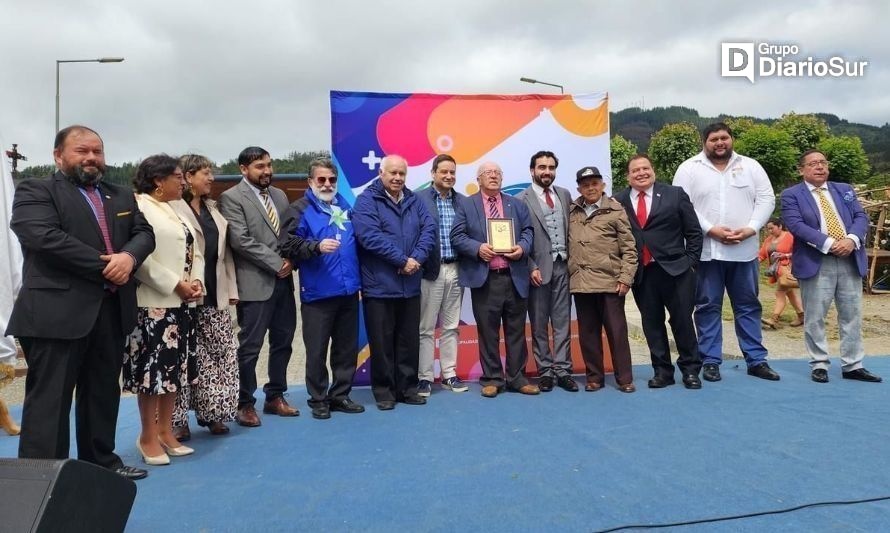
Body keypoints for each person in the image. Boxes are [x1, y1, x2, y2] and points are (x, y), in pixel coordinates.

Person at [7, 125, 154, 480]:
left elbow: (143, 233)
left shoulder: (120, 195)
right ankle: (41, 476)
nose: (91, 158)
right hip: (55, 314)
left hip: (111, 310)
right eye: (81, 151)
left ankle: (100, 464)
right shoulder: (36, 190)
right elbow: (42, 236)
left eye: (97, 151)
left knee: (102, 393)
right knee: (50, 402)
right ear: (59, 155)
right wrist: (109, 264)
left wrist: (130, 259)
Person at [673, 122, 780, 382]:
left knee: (748, 305)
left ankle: (756, 359)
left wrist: (752, 228)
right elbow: (681, 203)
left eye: (724, 138)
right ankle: (710, 360)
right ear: (704, 142)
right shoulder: (689, 168)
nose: (719, 143)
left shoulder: (751, 166)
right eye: (713, 139)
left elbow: (767, 199)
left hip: (744, 251)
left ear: (731, 139)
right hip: (707, 252)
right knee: (708, 305)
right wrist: (710, 229)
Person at [781, 149, 882, 384]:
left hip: (849, 256)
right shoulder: (791, 194)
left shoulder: (844, 189)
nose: (820, 167)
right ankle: (819, 364)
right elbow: (795, 225)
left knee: (852, 314)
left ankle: (853, 365)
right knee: (815, 315)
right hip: (816, 259)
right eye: (813, 163)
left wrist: (851, 240)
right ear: (801, 169)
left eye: (823, 162)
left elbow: (860, 217)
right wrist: (828, 243)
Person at [126, 155, 202, 466]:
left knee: (174, 372)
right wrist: (174, 283)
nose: (183, 182)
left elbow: (193, 247)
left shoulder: (174, 208)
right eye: (178, 176)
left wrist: (195, 278)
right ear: (159, 181)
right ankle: (147, 436)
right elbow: (138, 257)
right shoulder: (139, 206)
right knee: (152, 374)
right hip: (153, 303)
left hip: (182, 304)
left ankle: (165, 430)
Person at [280, 158, 366, 419]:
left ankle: (340, 395)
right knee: (317, 350)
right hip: (318, 294)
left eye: (331, 179)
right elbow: (286, 244)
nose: (327, 184)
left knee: (346, 348)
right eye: (321, 179)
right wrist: (315, 247)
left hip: (349, 291)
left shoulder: (345, 205)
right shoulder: (299, 208)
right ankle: (318, 398)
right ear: (310, 181)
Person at [219, 146, 299, 426]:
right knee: (250, 347)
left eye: (268, 165)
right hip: (255, 284)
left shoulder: (279, 195)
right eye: (259, 167)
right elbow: (240, 240)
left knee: (283, 342)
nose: (267, 171)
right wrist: (277, 263)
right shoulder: (231, 198)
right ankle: (244, 403)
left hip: (284, 283)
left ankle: (275, 396)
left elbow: (289, 233)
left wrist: (290, 258)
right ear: (243, 169)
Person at [353, 155, 436, 410]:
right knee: (382, 342)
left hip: (410, 284)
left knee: (408, 340)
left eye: (402, 173)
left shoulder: (414, 200)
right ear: (381, 173)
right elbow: (370, 237)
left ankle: (408, 389)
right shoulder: (366, 201)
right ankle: (385, 392)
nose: (398, 178)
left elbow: (429, 229)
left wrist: (417, 259)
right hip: (380, 286)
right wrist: (402, 261)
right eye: (393, 173)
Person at [451, 161, 539, 398]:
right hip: (486, 279)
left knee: (516, 331)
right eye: (488, 173)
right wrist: (478, 248)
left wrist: (521, 248)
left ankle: (517, 378)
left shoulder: (516, 204)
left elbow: (528, 231)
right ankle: (492, 378)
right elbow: (457, 236)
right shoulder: (467, 205)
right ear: (478, 179)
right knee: (488, 332)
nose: (493, 176)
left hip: (514, 277)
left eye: (497, 173)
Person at [615, 155, 703, 389]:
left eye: (646, 168)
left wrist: (691, 262)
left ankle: (691, 369)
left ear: (653, 170)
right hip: (643, 273)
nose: (641, 173)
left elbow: (693, 232)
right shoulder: (618, 200)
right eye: (635, 170)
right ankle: (662, 371)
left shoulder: (675, 194)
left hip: (676, 270)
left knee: (682, 320)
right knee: (652, 323)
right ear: (628, 176)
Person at [170, 155, 240, 439]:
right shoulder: (171, 209)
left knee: (220, 355)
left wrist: (232, 290)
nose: (212, 178)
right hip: (183, 297)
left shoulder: (213, 208)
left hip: (215, 295)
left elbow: (225, 255)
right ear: (187, 176)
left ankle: (214, 413)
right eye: (206, 173)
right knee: (181, 359)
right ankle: (177, 421)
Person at [568, 166, 638, 393]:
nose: (590, 188)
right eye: (585, 185)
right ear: (579, 188)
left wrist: (626, 277)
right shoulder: (572, 211)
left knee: (617, 333)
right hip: (581, 283)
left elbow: (629, 249)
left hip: (610, 283)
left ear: (603, 186)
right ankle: (594, 377)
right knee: (588, 334)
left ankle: (625, 378)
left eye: (594, 184)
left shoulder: (616, 210)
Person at [516, 150, 576, 392]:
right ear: (533, 170)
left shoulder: (564, 194)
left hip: (564, 266)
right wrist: (530, 266)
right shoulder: (521, 199)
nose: (547, 172)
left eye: (551, 167)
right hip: (538, 270)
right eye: (542, 167)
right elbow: (520, 237)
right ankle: (545, 371)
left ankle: (563, 370)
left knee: (562, 323)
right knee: (539, 324)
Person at [417, 154, 469, 396]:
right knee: (426, 327)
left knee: (451, 326)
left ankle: (449, 374)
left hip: (457, 269)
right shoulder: (418, 200)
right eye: (444, 172)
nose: (449, 176)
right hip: (431, 271)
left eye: (452, 172)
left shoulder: (463, 203)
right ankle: (425, 377)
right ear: (433, 173)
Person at [757, 218, 804, 329]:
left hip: (788, 270)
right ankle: (802, 316)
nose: (770, 231)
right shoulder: (769, 239)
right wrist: (755, 261)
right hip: (777, 272)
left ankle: (774, 319)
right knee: (790, 293)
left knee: (780, 293)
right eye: (768, 229)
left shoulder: (790, 236)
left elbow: (800, 252)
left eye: (772, 228)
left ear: (780, 226)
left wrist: (786, 255)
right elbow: (762, 253)